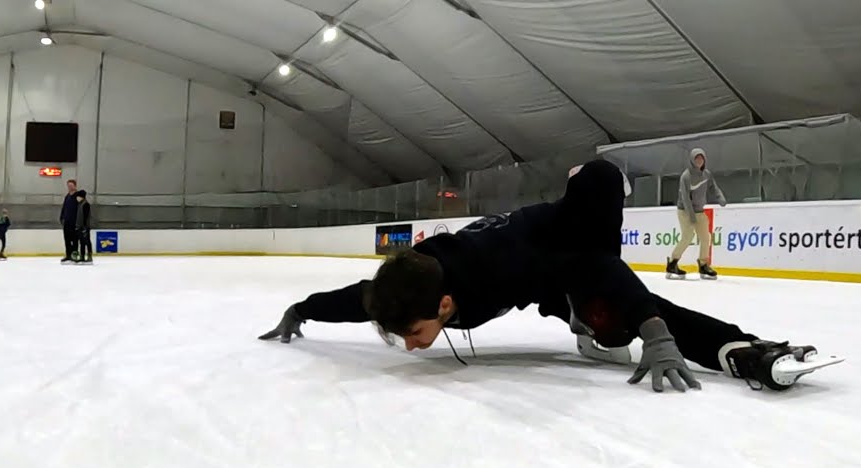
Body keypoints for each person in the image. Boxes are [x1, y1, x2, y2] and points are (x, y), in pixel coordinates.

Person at [259, 159, 819, 393]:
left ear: (446, 304)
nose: (410, 346)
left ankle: (742, 352)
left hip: (553, 247)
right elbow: (358, 297)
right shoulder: (406, 287)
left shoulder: (505, 265)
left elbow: (601, 267)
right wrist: (301, 310)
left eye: (415, 334)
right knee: (612, 311)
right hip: (534, 263)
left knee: (618, 318)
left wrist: (653, 328)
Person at [666, 147, 726, 280]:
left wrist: (720, 197)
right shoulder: (686, 176)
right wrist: (691, 215)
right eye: (696, 158)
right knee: (688, 236)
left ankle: (703, 265)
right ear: (692, 160)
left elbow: (714, 187)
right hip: (685, 211)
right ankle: (672, 263)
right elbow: (685, 198)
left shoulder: (707, 174)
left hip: (699, 211)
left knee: (706, 237)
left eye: (701, 158)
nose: (699, 160)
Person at [60, 179, 80, 263]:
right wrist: (62, 217)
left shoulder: (78, 196)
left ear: (75, 186)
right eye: (68, 185)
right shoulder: (67, 196)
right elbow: (64, 207)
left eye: (71, 185)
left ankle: (74, 255)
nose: (69, 187)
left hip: (74, 222)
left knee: (74, 240)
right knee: (67, 239)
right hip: (67, 221)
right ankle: (68, 255)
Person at [73, 190, 93, 264]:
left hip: (85, 227)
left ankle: (89, 256)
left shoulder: (85, 204)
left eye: (78, 196)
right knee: (82, 242)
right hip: (79, 226)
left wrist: (84, 227)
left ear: (82, 197)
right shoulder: (79, 204)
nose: (77, 198)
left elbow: (85, 217)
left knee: (87, 241)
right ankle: (82, 256)